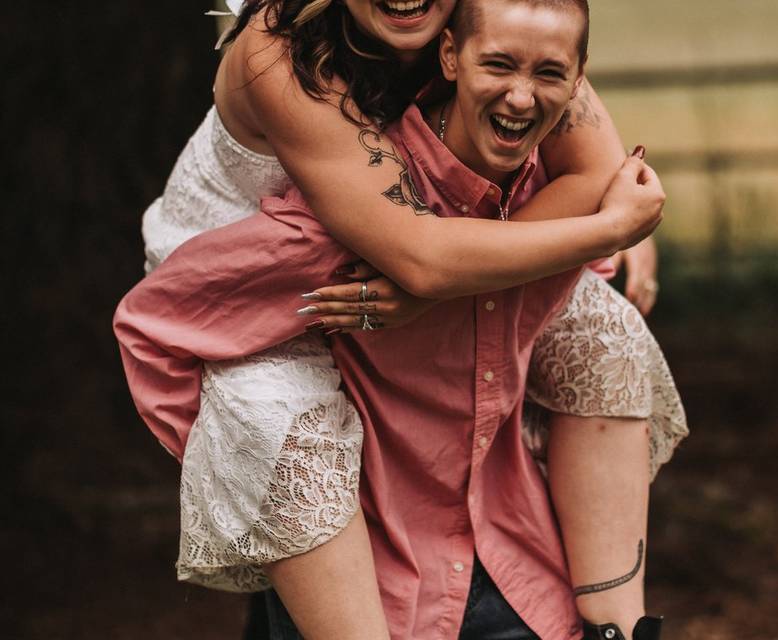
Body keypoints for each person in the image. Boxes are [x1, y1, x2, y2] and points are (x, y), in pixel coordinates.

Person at [117, 0, 686, 637]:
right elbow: (421, 258)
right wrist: (608, 229)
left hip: (401, 249)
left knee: (598, 327)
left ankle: (616, 623)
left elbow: (592, 167)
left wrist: (456, 281)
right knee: (280, 422)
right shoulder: (277, 49)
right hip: (249, 285)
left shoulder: (488, 21)